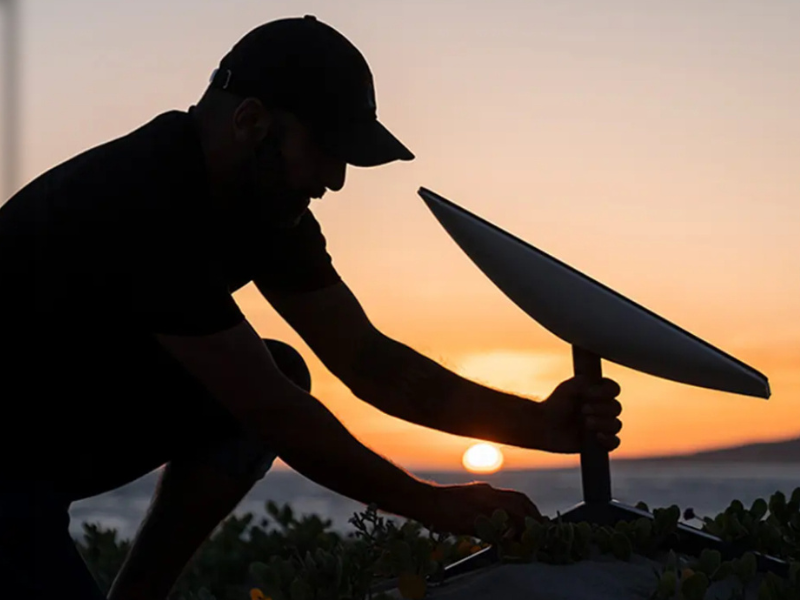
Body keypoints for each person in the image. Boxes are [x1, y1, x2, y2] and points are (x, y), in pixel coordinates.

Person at [0, 14, 623, 600]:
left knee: (283, 370)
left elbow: (367, 359)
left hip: (49, 434)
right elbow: (269, 408)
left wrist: (535, 425)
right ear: (251, 120)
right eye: (327, 149)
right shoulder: (144, 197)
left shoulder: (269, 208)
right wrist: (431, 504)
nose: (338, 179)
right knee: (270, 392)